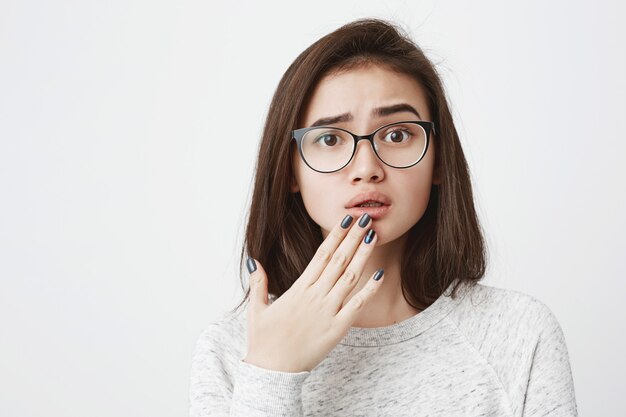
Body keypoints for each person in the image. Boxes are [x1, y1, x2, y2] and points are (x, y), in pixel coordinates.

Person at [189, 18, 578, 416]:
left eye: (396, 135)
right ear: (290, 171)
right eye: (329, 139)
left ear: (439, 160)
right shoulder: (232, 349)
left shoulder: (519, 334)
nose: (366, 168)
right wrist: (271, 373)